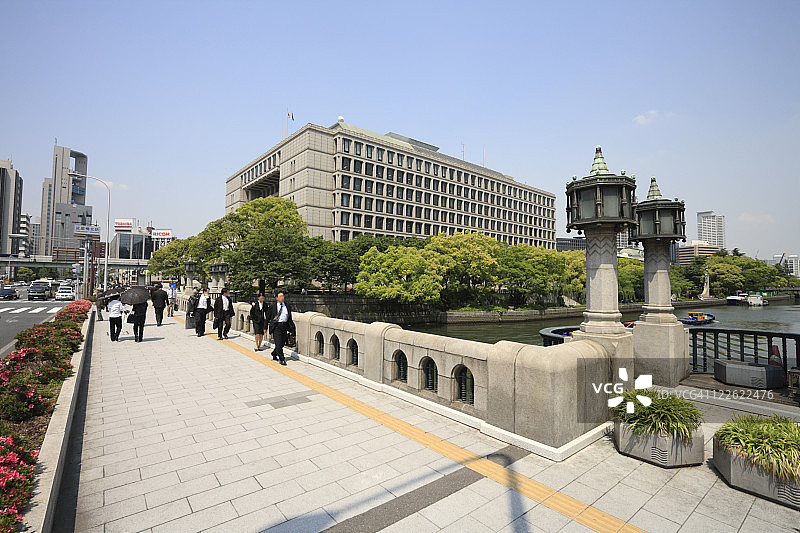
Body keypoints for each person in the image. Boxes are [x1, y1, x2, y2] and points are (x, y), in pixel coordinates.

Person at [265, 289, 295, 365]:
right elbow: (268, 317)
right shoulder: (272, 306)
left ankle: (274, 353)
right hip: (276, 326)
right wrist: (265, 327)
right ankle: (282, 358)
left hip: (284, 326)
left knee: (282, 343)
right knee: (278, 343)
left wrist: (292, 329)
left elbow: (289, 318)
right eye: (280, 296)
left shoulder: (287, 305)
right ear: (276, 298)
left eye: (283, 296)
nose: (282, 298)